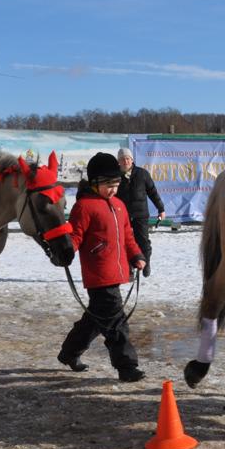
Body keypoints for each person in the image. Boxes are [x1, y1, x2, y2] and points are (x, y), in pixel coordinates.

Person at [57, 152, 147, 382]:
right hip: (98, 274)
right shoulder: (84, 207)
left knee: (95, 320)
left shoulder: (119, 205)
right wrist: (67, 251)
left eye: (116, 185)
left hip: (117, 271)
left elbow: (128, 236)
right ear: (94, 183)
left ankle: (69, 353)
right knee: (116, 322)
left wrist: (136, 254)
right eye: (108, 185)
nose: (113, 190)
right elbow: (75, 236)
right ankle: (127, 366)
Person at [115, 147, 165, 277]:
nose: (125, 161)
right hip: (123, 216)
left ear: (132, 160)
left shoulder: (142, 174)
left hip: (140, 214)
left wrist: (161, 209)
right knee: (124, 242)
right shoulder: (115, 176)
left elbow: (152, 192)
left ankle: (146, 262)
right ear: (118, 162)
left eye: (128, 158)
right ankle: (129, 268)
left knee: (143, 242)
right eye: (122, 159)